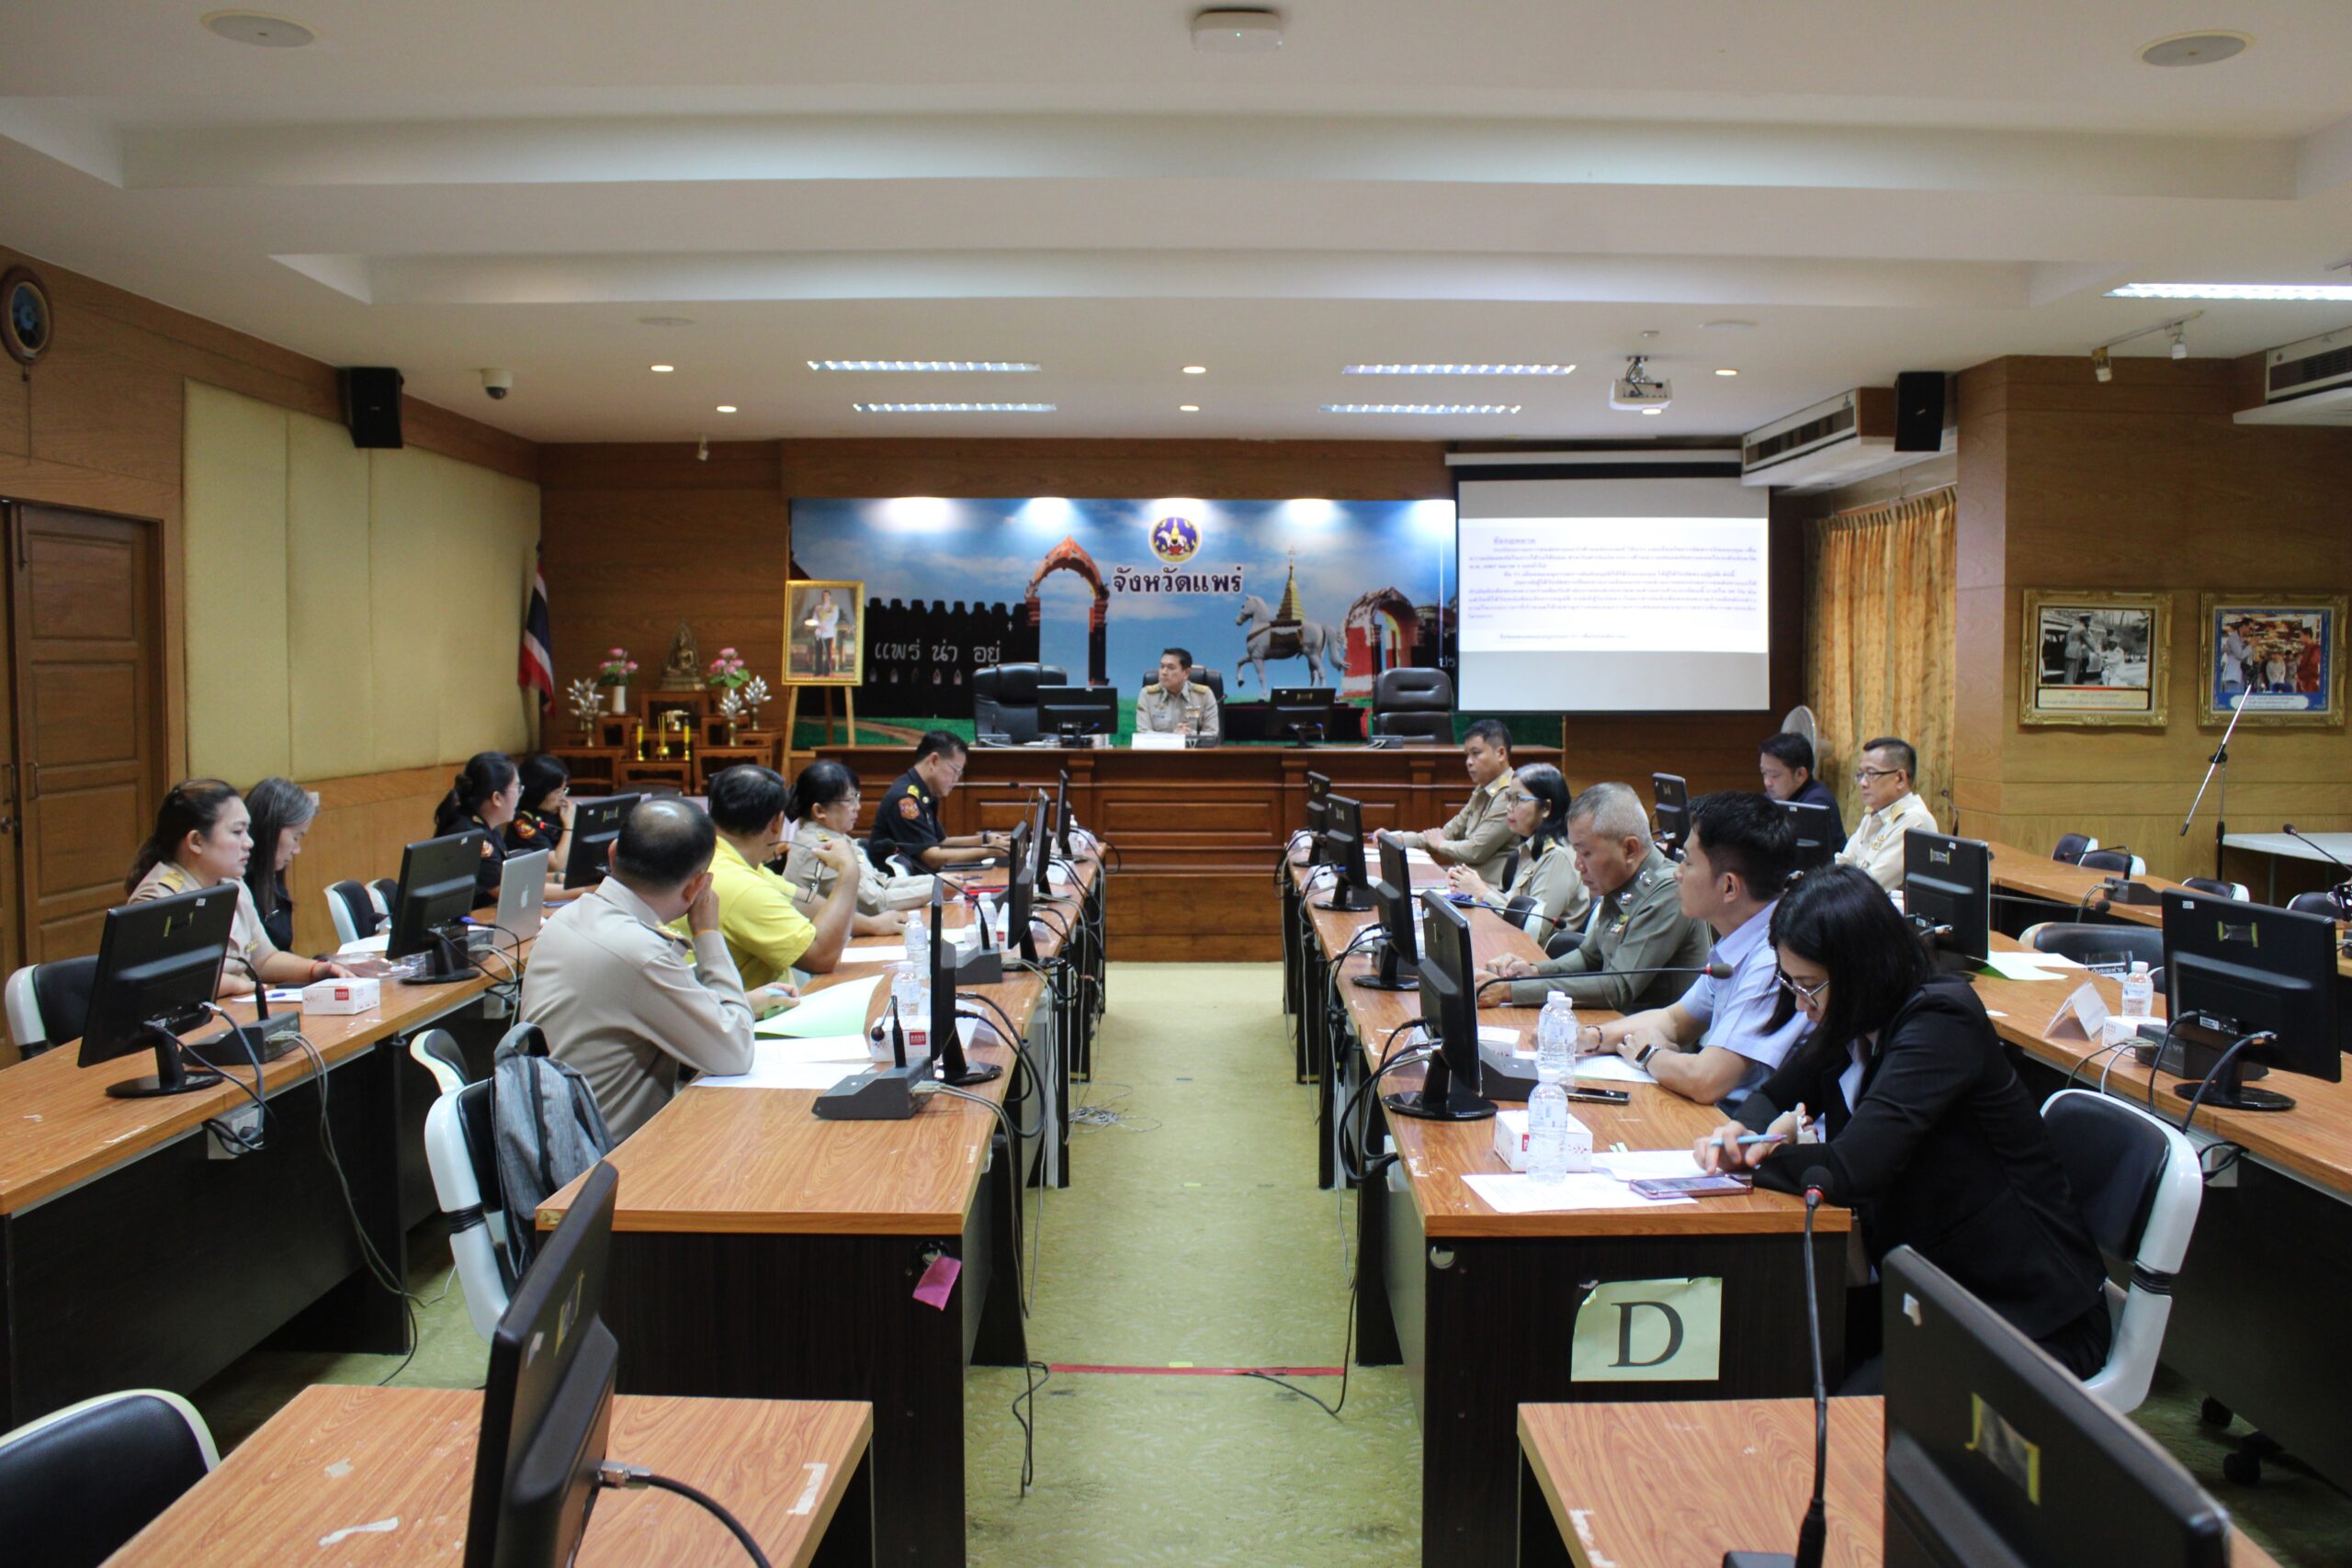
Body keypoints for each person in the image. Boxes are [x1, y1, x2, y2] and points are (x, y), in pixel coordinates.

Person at [1696, 865, 2113, 1389]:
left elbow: (1852, 1169)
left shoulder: (1941, 1021)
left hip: (2027, 1312)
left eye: (1809, 987)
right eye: (1792, 984)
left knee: (1845, 1406)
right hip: (1934, 1291)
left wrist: (1752, 1160)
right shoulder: (1854, 1019)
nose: (1802, 1005)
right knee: (1766, 1342)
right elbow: (1774, 1094)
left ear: (1860, 970)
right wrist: (1741, 1132)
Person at [520, 798, 763, 1141]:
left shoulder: (570, 916)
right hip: (609, 1159)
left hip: (559, 1137)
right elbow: (735, 1053)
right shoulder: (640, 952)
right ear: (697, 886)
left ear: (612, 853)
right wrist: (708, 933)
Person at [1581, 792, 1805, 1106]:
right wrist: (1593, 1037)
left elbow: (1706, 1081)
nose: (1677, 872)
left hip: (1746, 1123)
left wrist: (1649, 1054)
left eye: (1688, 862)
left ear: (1729, 886)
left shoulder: (1773, 959)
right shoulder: (1738, 939)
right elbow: (1675, 1021)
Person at [1477, 781, 1710, 1010]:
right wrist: (1533, 971)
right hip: (1616, 1022)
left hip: (1650, 1030)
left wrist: (1511, 990)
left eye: (1586, 853)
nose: (1578, 865)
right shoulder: (1622, 880)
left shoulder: (1668, 891)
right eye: (1576, 851)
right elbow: (1588, 957)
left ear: (1629, 849)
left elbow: (1617, 988)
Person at [126, 779, 352, 998]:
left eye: (247, 831)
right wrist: (237, 983)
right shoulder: (158, 897)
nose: (249, 842)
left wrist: (314, 969)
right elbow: (167, 984)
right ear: (196, 841)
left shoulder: (233, 885)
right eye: (237, 832)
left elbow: (263, 959)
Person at [699, 763, 861, 986]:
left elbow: (805, 902)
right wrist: (849, 872)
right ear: (777, 823)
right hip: (755, 1008)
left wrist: (874, 924)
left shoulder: (726, 858)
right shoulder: (741, 886)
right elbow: (821, 957)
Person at [780, 758, 928, 938]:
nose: (857, 807)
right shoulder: (819, 849)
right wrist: (934, 890)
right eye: (849, 801)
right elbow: (873, 905)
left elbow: (881, 883)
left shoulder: (837, 837)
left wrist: (937, 883)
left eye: (857, 798)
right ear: (819, 811)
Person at [1443, 762, 1589, 939]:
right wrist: (1476, 885)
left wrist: (1483, 892)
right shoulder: (1529, 847)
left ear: (1546, 808)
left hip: (1536, 952)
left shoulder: (1557, 855)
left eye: (1518, 799)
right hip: (1511, 943)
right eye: (1508, 798)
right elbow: (1513, 903)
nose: (1509, 807)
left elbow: (1534, 928)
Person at [865, 730, 1010, 872]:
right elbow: (932, 859)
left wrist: (984, 839)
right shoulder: (905, 800)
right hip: (895, 883)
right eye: (955, 771)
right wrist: (989, 851)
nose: (956, 779)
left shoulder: (925, 792)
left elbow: (942, 843)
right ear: (934, 761)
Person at [1419, 718, 1516, 886]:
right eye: (1467, 755)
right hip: (1466, 886)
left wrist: (1441, 845)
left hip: (1492, 892)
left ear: (1500, 753)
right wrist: (1396, 839)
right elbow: (1448, 832)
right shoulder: (1483, 789)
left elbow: (1475, 851)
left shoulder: (1510, 793)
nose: (1469, 762)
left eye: (1476, 753)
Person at [1833, 736, 1936, 893]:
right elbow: (1843, 864)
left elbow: (1871, 886)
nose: (1863, 783)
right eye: (1860, 774)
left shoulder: (1914, 822)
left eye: (1871, 774)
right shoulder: (1875, 813)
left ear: (1900, 779)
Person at [242, 775, 319, 952]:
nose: (297, 850)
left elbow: (282, 951)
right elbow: (258, 961)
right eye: (296, 837)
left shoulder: (274, 879)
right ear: (270, 830)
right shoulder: (238, 888)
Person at [1756, 731, 1846, 853]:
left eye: (1774, 775)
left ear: (1800, 774)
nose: (1767, 782)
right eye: (1764, 773)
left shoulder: (1817, 802)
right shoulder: (1773, 796)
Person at [508, 752, 576, 875]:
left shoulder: (556, 812)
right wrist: (569, 826)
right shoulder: (524, 821)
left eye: (564, 790)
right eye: (558, 792)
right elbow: (556, 865)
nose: (563, 797)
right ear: (539, 791)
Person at [1136, 647, 1219, 740]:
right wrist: (1173, 738)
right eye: (1162, 666)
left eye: (1171, 668)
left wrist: (1190, 734)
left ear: (1186, 673)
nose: (1164, 672)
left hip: (1192, 749)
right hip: (1159, 750)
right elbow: (1143, 734)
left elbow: (1211, 735)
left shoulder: (1204, 695)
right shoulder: (1147, 695)